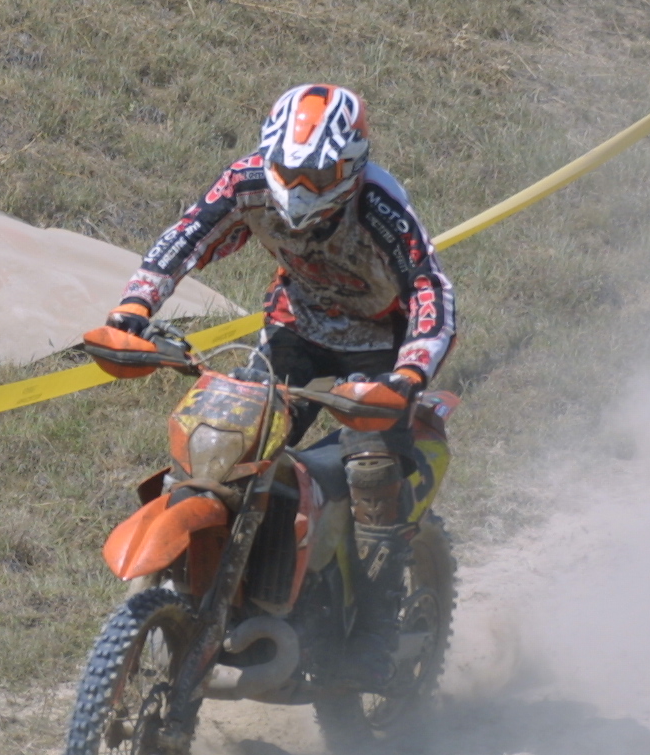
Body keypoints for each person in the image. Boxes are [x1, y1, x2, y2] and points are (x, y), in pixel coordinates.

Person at [86, 83, 457, 685]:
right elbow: (189, 235)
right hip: (296, 327)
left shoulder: (381, 206)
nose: (300, 187)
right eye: (289, 169)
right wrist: (133, 308)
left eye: (320, 174)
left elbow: (429, 291)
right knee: (234, 437)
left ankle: (376, 628)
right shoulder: (247, 180)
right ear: (269, 153)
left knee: (372, 468)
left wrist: (410, 373)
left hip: (381, 346)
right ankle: (232, 582)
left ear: (352, 166)